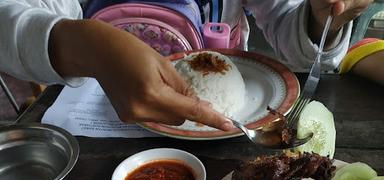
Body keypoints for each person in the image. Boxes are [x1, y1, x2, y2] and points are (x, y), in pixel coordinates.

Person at [0, 0, 373, 129]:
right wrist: (81, 45)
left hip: (223, 132)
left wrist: (321, 20)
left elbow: (295, 42)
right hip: (88, 128)